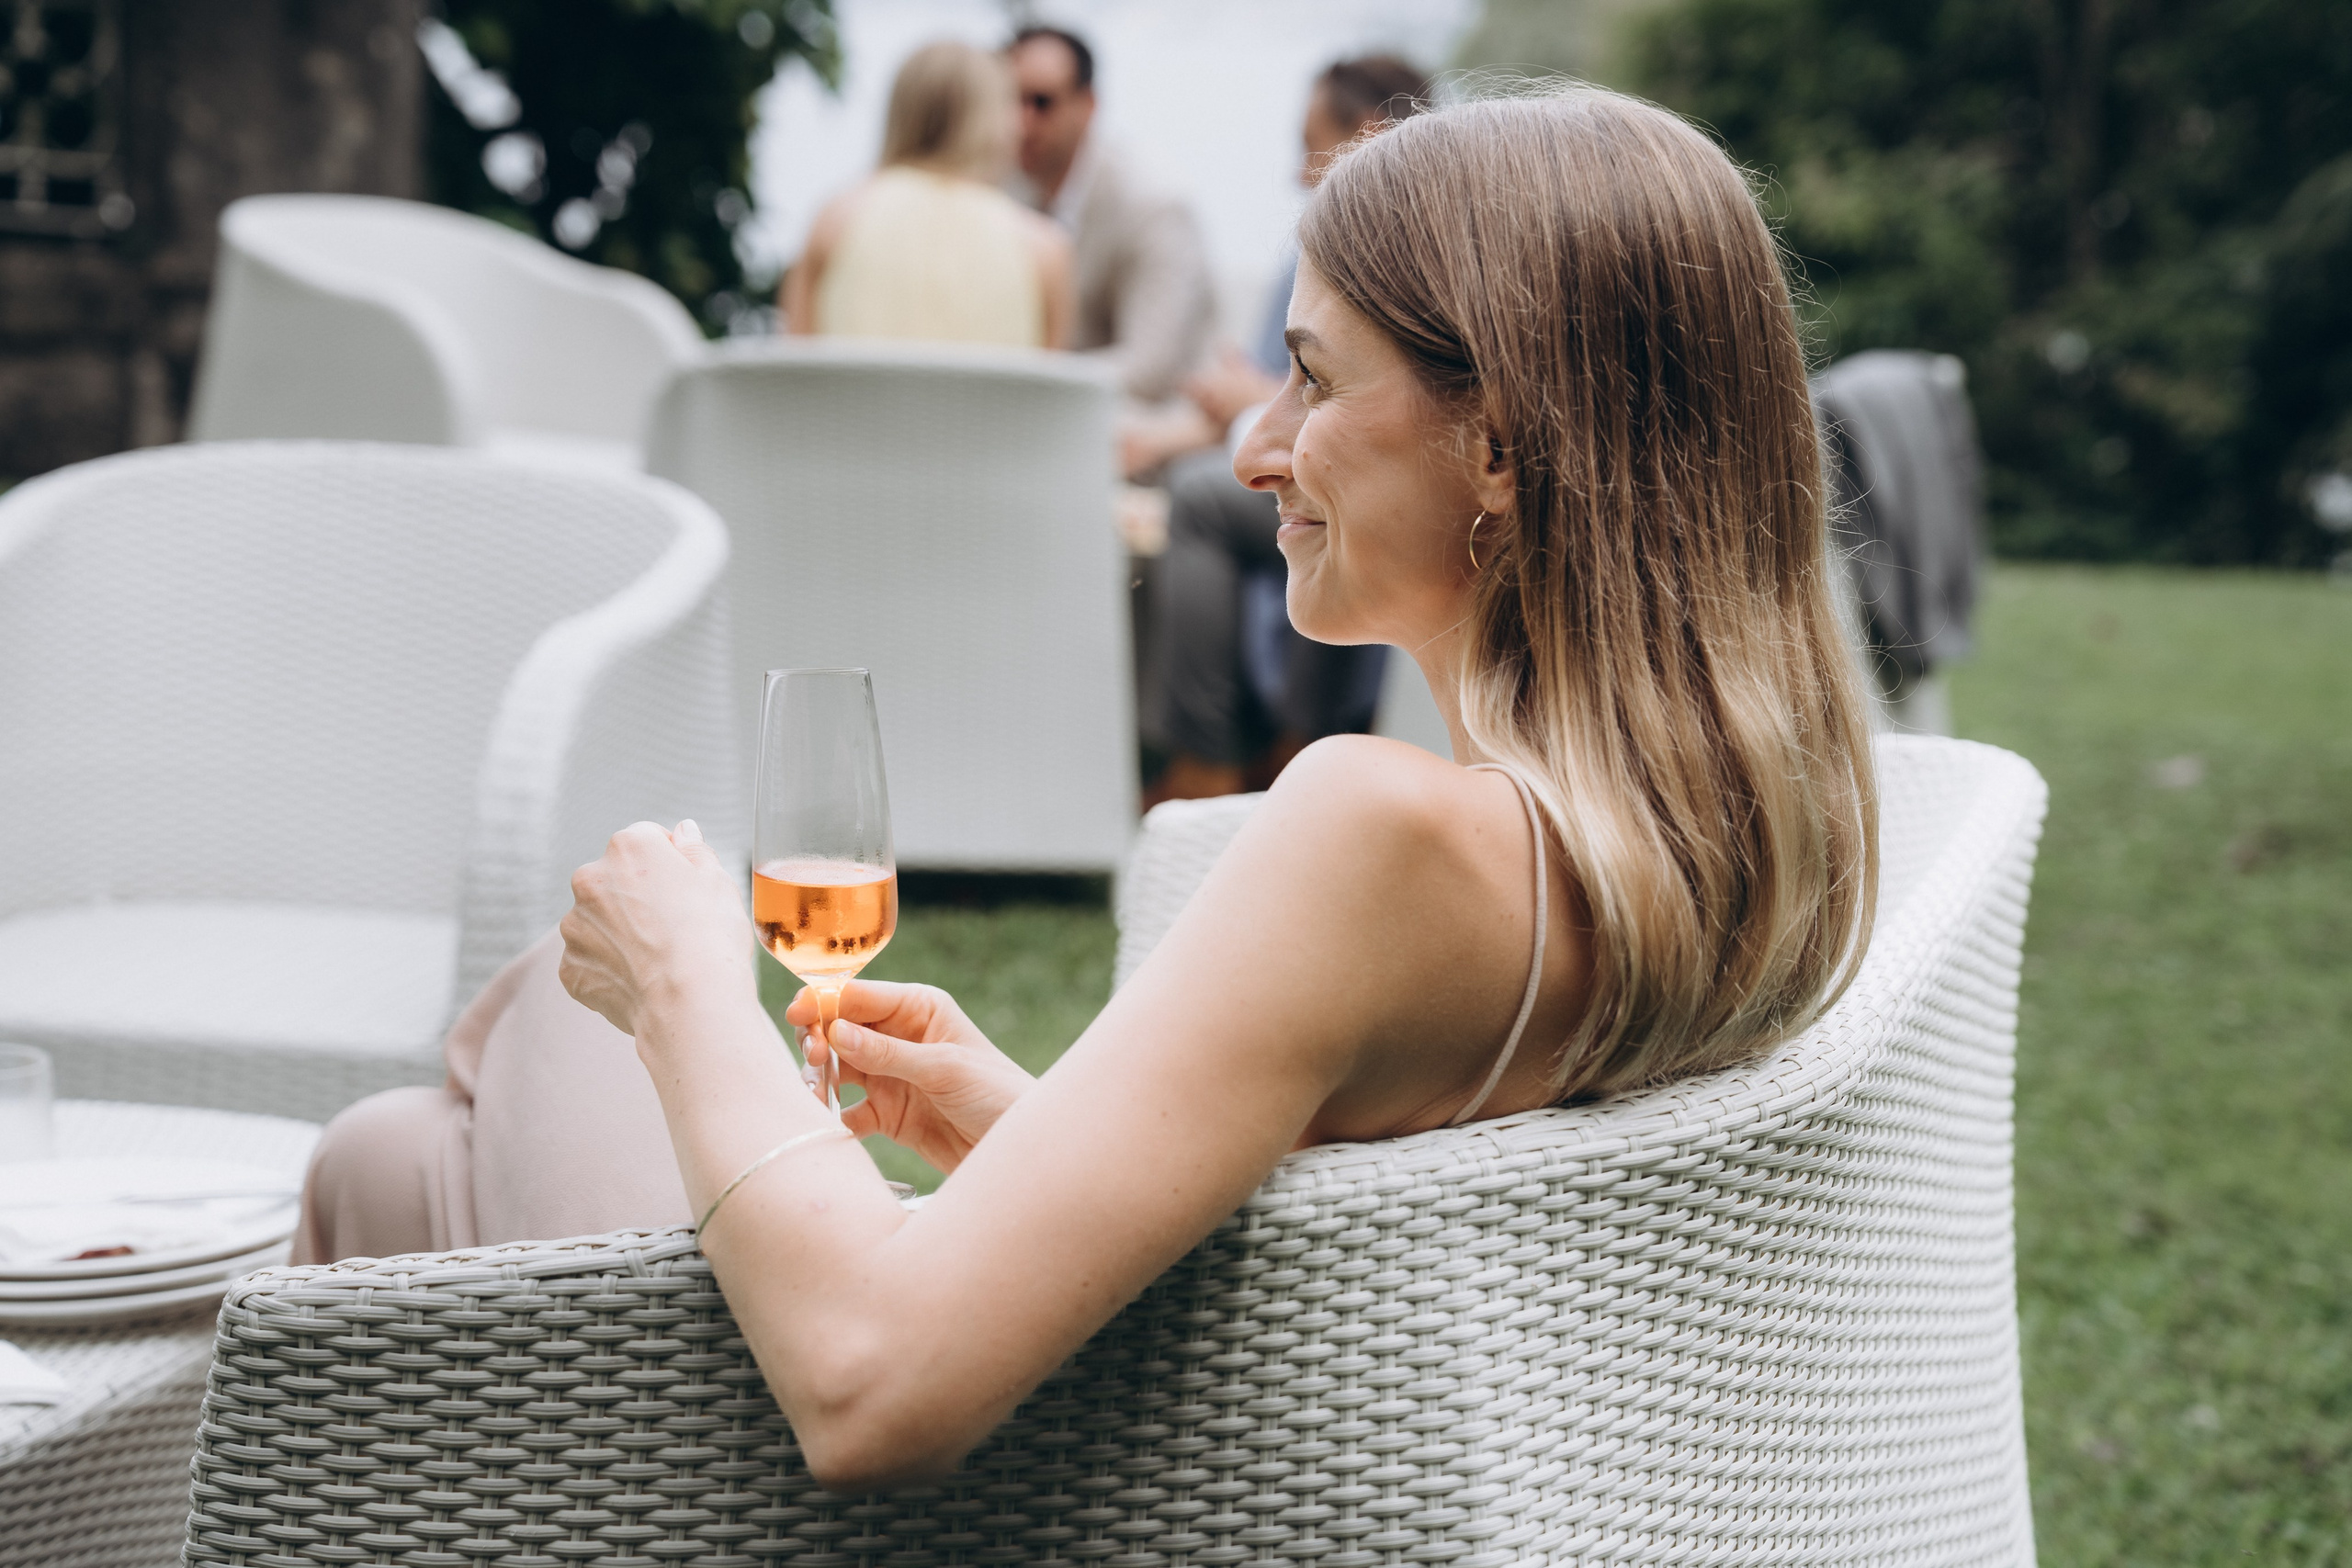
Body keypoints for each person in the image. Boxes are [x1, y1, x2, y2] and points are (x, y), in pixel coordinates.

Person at [296, 87, 1879, 1494]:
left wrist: (679, 986)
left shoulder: (1383, 835)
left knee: (530, 1028)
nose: (1257, 448)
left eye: (1314, 383)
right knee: (387, 1159)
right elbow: (1351, 1277)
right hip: (1284, 1462)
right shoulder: (1759, 834)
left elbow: (866, 1385)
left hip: (905, 1500)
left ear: (1506, 449)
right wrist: (1029, 1129)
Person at [1136, 56, 1432, 804]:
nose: (1301, 172)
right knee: (1250, 492)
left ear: (1367, 134)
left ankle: (1219, 760)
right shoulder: (1361, 239)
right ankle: (1280, 745)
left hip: (1380, 460)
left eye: (1312, 145)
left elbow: (1367, 394)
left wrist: (1248, 395)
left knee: (1208, 501)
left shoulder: (1381, 246)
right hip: (1324, 443)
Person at [785, 40, 1073, 350]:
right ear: (994, 121)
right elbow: (1048, 394)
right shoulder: (1045, 252)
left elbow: (795, 380)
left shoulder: (834, 224)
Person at [1007, 25, 1214, 400]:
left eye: (1041, 102)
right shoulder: (1002, 186)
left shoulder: (1154, 204)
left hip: (1147, 428)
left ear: (1087, 106)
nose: (1021, 123)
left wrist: (1027, 383)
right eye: (1008, 100)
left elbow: (1150, 367)